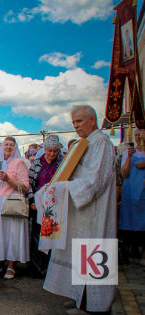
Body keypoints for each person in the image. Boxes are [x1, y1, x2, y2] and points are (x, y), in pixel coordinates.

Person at [43, 105, 116, 313]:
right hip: (82, 211)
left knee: (94, 253)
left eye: (79, 121)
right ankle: (81, 299)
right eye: (74, 122)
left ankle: (96, 306)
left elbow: (95, 181)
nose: (75, 126)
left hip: (94, 212)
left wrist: (63, 186)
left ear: (92, 121)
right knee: (81, 254)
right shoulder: (85, 143)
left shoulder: (101, 142)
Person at [0, 136, 30, 280]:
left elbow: (25, 187)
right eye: (6, 145)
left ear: (15, 148)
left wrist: (9, 179)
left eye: (11, 145)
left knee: (12, 234)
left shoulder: (19, 163)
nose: (8, 147)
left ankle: (11, 266)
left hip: (12, 202)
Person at [27, 135, 63, 278]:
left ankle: (50, 270)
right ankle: (37, 269)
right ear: (45, 150)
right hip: (38, 204)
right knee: (36, 236)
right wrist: (32, 201)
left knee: (51, 235)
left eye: (55, 151)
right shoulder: (36, 163)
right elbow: (29, 183)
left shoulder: (61, 164)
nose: (52, 154)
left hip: (53, 206)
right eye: (49, 151)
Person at [118, 129, 145, 262]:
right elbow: (123, 173)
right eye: (136, 135)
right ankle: (130, 250)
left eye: (140, 135)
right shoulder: (129, 153)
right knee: (129, 220)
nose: (138, 137)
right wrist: (128, 157)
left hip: (143, 192)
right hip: (131, 190)